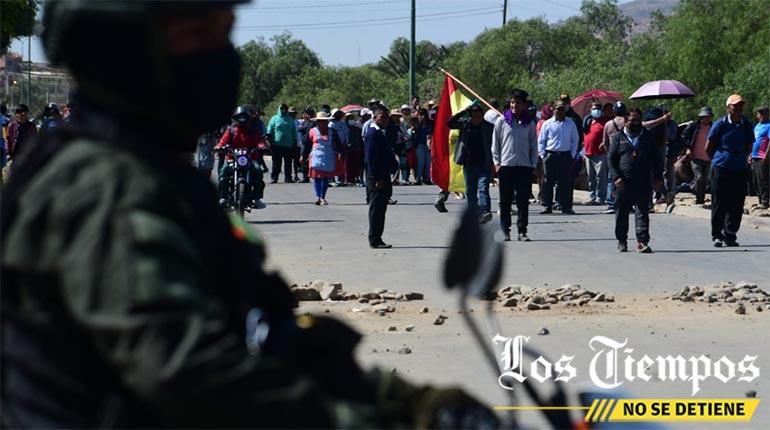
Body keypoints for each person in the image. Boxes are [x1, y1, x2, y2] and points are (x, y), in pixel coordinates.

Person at [1, 2, 496, 429]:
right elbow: (186, 372)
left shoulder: (149, 172)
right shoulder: (104, 189)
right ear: (117, 52)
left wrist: (405, 400)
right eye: (198, 35)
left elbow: (261, 337)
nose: (221, 55)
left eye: (225, 31)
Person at [608, 107, 664, 253]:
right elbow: (611, 160)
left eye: (638, 121)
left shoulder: (647, 137)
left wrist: (658, 178)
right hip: (623, 183)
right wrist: (616, 177)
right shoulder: (617, 138)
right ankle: (622, 241)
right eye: (632, 120)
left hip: (643, 181)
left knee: (642, 212)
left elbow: (657, 159)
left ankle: (642, 241)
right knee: (621, 213)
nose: (635, 123)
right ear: (625, 121)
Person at [705, 95, 754, 247]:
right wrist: (718, 159)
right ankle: (717, 234)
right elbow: (709, 147)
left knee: (737, 201)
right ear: (728, 108)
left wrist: (742, 157)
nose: (738, 109)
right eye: (735, 106)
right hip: (721, 167)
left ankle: (730, 233)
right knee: (720, 201)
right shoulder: (720, 124)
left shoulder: (745, 124)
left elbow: (749, 145)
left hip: (739, 167)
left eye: (740, 106)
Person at [492, 89, 538, 241]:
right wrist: (497, 163)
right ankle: (505, 230)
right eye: (512, 102)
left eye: (518, 103)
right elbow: (495, 145)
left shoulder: (529, 124)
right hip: (506, 166)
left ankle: (522, 231)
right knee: (505, 201)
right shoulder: (502, 121)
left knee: (523, 201)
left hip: (524, 167)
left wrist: (532, 165)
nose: (514, 106)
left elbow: (533, 146)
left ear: (524, 105)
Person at [449, 103, 494, 224]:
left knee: (483, 188)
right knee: (471, 191)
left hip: (484, 164)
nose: (476, 119)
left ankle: (485, 211)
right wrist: (463, 111)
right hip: (468, 164)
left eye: (478, 116)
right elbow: (450, 123)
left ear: (482, 116)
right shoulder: (465, 125)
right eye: (473, 116)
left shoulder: (489, 127)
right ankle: (474, 213)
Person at [216, 106, 267, 209]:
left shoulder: (253, 131)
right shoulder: (231, 131)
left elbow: (260, 141)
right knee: (224, 171)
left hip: (250, 159)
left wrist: (262, 146)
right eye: (240, 117)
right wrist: (219, 147)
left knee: (258, 171)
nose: (242, 119)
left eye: (244, 117)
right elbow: (222, 141)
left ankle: (257, 198)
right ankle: (223, 197)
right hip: (232, 158)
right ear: (235, 118)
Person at [538, 99, 579, 215]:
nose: (560, 111)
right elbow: (541, 140)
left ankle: (566, 206)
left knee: (566, 182)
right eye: (558, 109)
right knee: (547, 182)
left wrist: (572, 154)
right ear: (553, 109)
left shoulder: (571, 123)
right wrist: (543, 155)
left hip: (566, 155)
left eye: (562, 109)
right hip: (551, 155)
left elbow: (575, 139)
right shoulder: (547, 124)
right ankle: (547, 205)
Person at [365, 107, 398, 248]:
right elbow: (371, 159)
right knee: (376, 209)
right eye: (382, 117)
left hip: (383, 175)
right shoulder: (373, 133)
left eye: (386, 117)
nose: (385, 120)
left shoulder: (380, 132)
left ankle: (377, 237)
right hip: (377, 177)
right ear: (375, 117)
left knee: (381, 208)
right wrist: (377, 178)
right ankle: (375, 239)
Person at [681, 106, 714, 204]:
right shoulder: (694, 127)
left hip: (708, 157)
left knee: (705, 180)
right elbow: (684, 137)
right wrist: (688, 148)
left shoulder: (714, 127)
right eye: (704, 116)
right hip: (695, 157)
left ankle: (701, 199)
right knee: (699, 177)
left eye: (708, 116)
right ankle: (699, 198)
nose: (706, 118)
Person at [307, 111, 339, 205]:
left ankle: (323, 196)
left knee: (325, 177)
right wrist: (303, 155)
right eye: (321, 121)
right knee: (317, 177)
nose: (323, 123)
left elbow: (337, 143)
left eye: (325, 121)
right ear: (317, 122)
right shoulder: (312, 131)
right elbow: (307, 144)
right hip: (316, 156)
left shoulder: (332, 131)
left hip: (328, 155)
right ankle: (317, 196)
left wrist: (339, 152)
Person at [583, 102, 612, 205]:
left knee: (601, 177)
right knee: (591, 177)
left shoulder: (605, 122)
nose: (597, 110)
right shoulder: (587, 121)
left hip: (600, 153)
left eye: (599, 108)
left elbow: (609, 136)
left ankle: (600, 197)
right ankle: (591, 196)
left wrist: (604, 143)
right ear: (590, 110)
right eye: (595, 108)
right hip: (588, 153)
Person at [266, 103, 298, 183]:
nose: (284, 110)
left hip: (288, 145)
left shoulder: (290, 119)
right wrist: (269, 139)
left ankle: (288, 178)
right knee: (276, 162)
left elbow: (294, 131)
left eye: (285, 109)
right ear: (280, 109)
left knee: (288, 162)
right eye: (282, 109)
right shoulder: (274, 118)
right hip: (277, 145)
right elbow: (269, 129)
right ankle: (274, 177)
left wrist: (295, 141)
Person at [751, 105, 769, 209]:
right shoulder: (757, 126)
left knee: (763, 180)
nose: (761, 115)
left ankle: (765, 202)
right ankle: (759, 200)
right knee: (755, 181)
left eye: (763, 113)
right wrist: (749, 155)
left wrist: (767, 155)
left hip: (762, 156)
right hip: (754, 156)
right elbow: (753, 141)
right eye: (759, 113)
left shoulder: (769, 126)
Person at [412, 108, 432, 185]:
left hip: (428, 144)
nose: (422, 116)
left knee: (428, 162)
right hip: (420, 144)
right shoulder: (418, 124)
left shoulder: (429, 123)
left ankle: (427, 179)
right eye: (421, 115)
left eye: (423, 115)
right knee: (420, 163)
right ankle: (418, 179)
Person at [297, 106, 316, 183]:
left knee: (307, 160)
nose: (304, 115)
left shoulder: (313, 123)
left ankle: (310, 176)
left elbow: (301, 129)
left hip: (310, 144)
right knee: (304, 160)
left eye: (305, 114)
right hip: (305, 144)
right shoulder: (305, 122)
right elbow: (299, 129)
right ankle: (306, 177)